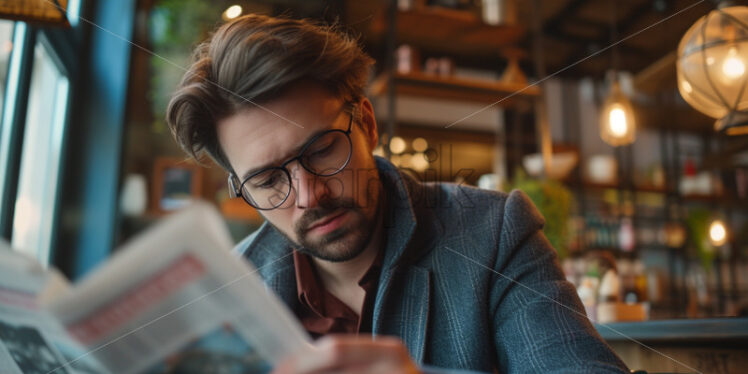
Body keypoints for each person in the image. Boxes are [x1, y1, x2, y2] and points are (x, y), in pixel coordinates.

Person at [166, 14, 629, 374]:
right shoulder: (232, 287)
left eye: (323, 149)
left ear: (366, 124)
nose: (309, 195)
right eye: (267, 181)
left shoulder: (494, 234)